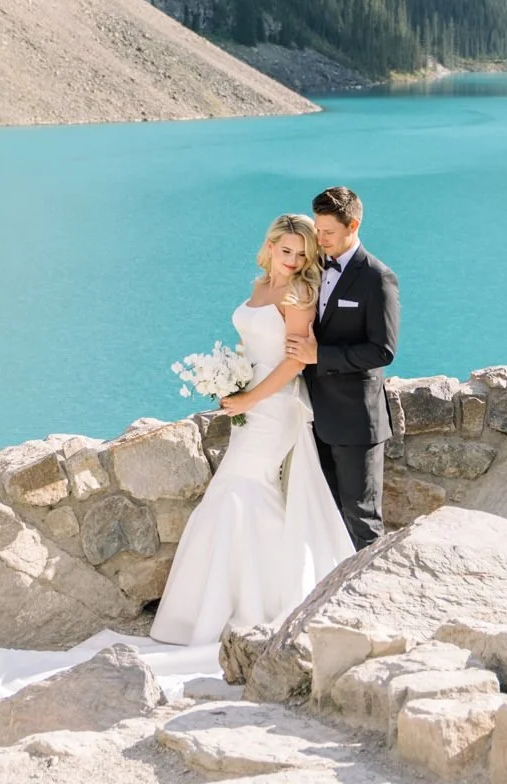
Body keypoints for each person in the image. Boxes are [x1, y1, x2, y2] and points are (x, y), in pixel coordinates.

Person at [148, 213, 355, 645]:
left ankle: (271, 603)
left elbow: (296, 361)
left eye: (303, 254)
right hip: (251, 397)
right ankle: (227, 604)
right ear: (271, 247)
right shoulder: (261, 287)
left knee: (244, 488)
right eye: (286, 251)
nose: (294, 260)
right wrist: (230, 378)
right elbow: (254, 345)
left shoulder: (299, 294)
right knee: (234, 490)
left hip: (275, 405)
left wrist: (249, 397)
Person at [285, 185, 399, 549]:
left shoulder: (377, 278)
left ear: (353, 225)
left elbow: (382, 352)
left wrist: (323, 356)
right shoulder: (314, 267)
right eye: (317, 230)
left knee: (361, 518)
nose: (320, 239)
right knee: (325, 515)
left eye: (328, 232)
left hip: (355, 422)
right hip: (312, 417)